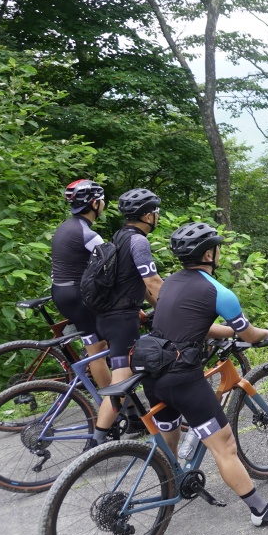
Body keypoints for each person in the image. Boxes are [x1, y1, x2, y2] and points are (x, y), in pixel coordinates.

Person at [147, 221, 268, 526]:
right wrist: (266, 334)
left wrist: (225, 332)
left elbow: (193, 324)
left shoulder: (171, 283)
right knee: (225, 446)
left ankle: (172, 480)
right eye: (216, 249)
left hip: (152, 370)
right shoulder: (218, 291)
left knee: (169, 432)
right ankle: (260, 511)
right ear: (209, 254)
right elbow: (251, 334)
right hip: (183, 378)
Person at [85, 188, 164, 450]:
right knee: (120, 384)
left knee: (129, 377)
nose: (157, 216)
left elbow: (138, 284)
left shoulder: (120, 236)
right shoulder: (139, 242)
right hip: (121, 321)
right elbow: (152, 281)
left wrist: (158, 307)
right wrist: (173, 308)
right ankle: (96, 443)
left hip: (106, 317)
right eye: (155, 211)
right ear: (146, 215)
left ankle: (136, 420)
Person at [50, 179, 112, 398]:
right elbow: (110, 267)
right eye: (102, 200)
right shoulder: (88, 235)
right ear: (94, 204)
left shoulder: (66, 226)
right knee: (97, 351)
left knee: (96, 343)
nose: (104, 204)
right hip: (76, 296)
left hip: (61, 292)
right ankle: (115, 407)